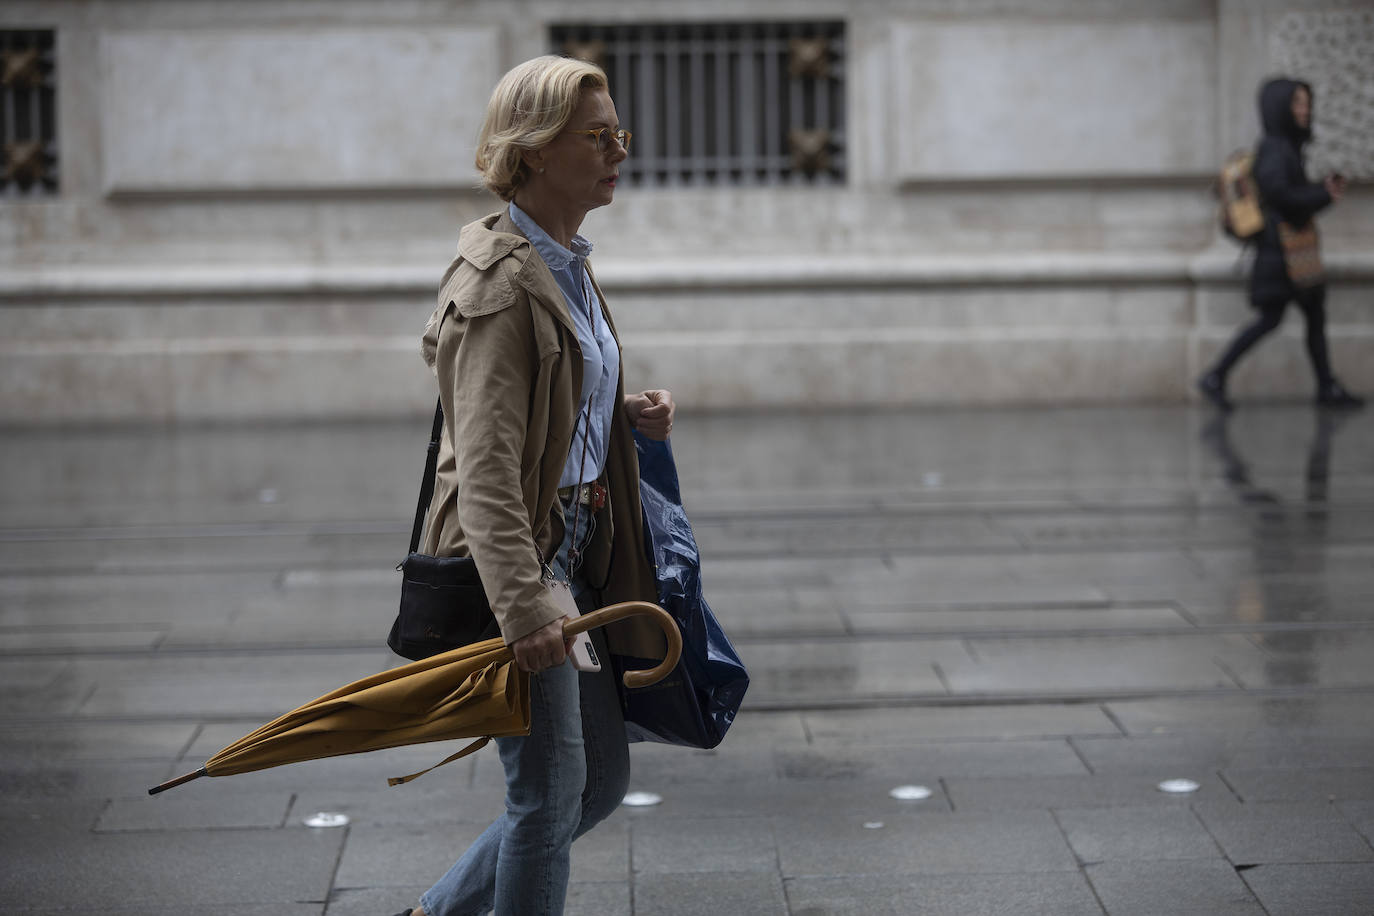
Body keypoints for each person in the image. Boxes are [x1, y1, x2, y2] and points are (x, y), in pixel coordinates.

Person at [392, 55, 675, 916]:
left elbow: (545, 396)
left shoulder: (567, 263)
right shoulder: (498, 283)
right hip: (523, 565)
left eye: (619, 134)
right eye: (598, 136)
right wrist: (522, 610)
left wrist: (617, 411)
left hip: (581, 555)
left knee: (595, 787)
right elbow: (483, 470)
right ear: (537, 149)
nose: (618, 150)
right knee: (547, 797)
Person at [1197, 77, 1362, 411]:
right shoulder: (1275, 147)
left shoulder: (1284, 146)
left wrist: (1320, 193)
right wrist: (1322, 194)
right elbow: (1281, 196)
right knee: (1273, 318)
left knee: (1308, 317)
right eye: (1297, 103)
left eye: (1305, 102)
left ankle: (1325, 385)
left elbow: (1288, 196)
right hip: (1282, 254)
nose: (1305, 110)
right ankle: (1215, 376)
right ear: (1280, 108)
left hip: (1290, 252)